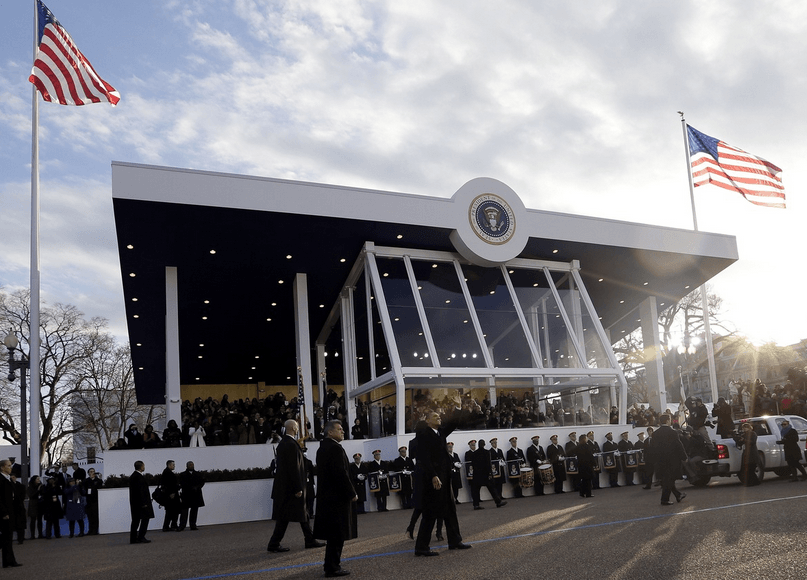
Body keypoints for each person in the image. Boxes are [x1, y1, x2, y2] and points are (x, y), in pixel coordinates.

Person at [413, 411, 472, 556]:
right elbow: (424, 458)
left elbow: (453, 423)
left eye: (439, 416)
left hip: (445, 478)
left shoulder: (440, 433)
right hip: (433, 480)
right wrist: (433, 475)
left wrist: (458, 408)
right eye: (435, 416)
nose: (439, 417)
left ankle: (455, 541)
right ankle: (421, 548)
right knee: (430, 513)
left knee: (450, 510)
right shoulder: (424, 435)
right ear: (427, 421)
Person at [267, 419, 324, 552]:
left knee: (300, 515)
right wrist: (298, 487)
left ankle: (308, 539)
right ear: (293, 428)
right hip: (291, 489)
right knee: (290, 516)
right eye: (297, 427)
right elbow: (294, 468)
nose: (298, 429)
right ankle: (275, 543)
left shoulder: (285, 443)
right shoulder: (290, 444)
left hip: (286, 489)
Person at [313, 420, 358, 578]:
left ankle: (330, 565)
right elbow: (341, 473)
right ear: (330, 432)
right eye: (339, 429)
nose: (343, 431)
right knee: (338, 534)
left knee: (333, 534)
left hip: (328, 498)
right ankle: (333, 567)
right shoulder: (335, 448)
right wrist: (351, 492)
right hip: (337, 498)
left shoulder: (323, 448)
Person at [652, 415, 688, 505]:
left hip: (660, 460)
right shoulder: (672, 432)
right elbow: (678, 445)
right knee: (669, 479)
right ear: (668, 421)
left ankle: (678, 495)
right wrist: (684, 457)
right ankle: (664, 499)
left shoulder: (655, 433)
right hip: (672, 460)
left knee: (667, 479)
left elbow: (653, 448)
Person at [470, 440, 506, 510]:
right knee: (492, 489)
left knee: (475, 490)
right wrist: (490, 473)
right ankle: (498, 502)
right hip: (485, 474)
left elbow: (473, 464)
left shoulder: (474, 453)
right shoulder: (486, 452)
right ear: (484, 444)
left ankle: (476, 505)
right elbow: (488, 463)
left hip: (477, 474)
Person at [0, 460, 21, 567]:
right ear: (2, 467)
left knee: (8, 537)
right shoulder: (1, 479)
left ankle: (9, 561)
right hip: (5, 513)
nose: (10, 468)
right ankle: (8, 561)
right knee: (6, 537)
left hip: (10, 511)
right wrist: (4, 512)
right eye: (8, 466)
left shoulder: (7, 479)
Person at [129, 460, 154, 544]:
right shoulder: (138, 477)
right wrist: (144, 503)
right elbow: (140, 491)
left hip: (136, 503)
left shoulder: (134, 476)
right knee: (144, 519)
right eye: (143, 466)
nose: (144, 467)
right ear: (141, 467)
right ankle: (140, 537)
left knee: (136, 521)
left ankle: (134, 538)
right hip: (141, 504)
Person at [179, 461, 205, 531]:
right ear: (187, 466)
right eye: (190, 465)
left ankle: (193, 525)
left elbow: (202, 482)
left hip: (195, 494)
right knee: (184, 511)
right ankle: (182, 525)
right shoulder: (182, 475)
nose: (192, 466)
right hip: (186, 495)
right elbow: (182, 483)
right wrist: (190, 488)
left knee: (194, 510)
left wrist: (197, 487)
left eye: (192, 465)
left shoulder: (198, 474)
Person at [161, 460, 181, 531]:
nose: (174, 466)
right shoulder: (168, 473)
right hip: (172, 495)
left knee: (170, 511)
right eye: (173, 465)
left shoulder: (166, 472)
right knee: (172, 511)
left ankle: (168, 526)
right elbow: (170, 484)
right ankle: (172, 525)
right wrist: (173, 491)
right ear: (169, 465)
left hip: (170, 494)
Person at [83, 468, 103, 535]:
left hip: (95, 501)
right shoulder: (86, 481)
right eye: (91, 472)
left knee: (95, 516)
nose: (92, 473)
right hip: (88, 501)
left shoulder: (98, 480)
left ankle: (95, 530)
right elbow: (84, 489)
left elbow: (100, 487)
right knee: (90, 517)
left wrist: (100, 479)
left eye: (93, 471)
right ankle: (90, 530)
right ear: (88, 473)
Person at [576, 434, 595, 498]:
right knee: (588, 480)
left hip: (581, 465)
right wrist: (594, 463)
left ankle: (582, 492)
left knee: (583, 480)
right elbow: (590, 455)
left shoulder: (578, 446)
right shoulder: (587, 446)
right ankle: (588, 493)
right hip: (588, 465)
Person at [10, 476, 26, 544]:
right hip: (13, 507)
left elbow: (22, 496)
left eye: (13, 477)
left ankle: (20, 539)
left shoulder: (20, 486)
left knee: (19, 524)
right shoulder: (9, 485)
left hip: (18, 507)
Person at [27, 475, 43, 540]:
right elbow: (31, 495)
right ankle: (32, 535)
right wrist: (38, 490)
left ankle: (40, 534)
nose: (39, 480)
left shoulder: (41, 486)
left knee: (40, 520)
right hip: (33, 504)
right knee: (33, 520)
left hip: (39, 504)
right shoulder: (30, 487)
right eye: (37, 479)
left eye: (39, 479)